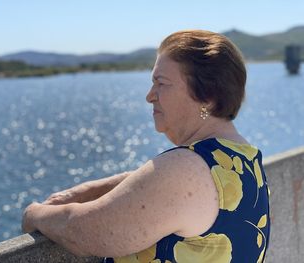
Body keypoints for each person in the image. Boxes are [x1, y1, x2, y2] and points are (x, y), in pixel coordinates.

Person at [22, 29, 270, 262]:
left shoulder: (185, 169)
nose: (150, 95)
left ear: (206, 93)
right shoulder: (245, 162)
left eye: (161, 83)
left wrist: (34, 213)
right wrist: (74, 195)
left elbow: (83, 231)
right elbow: (146, 185)